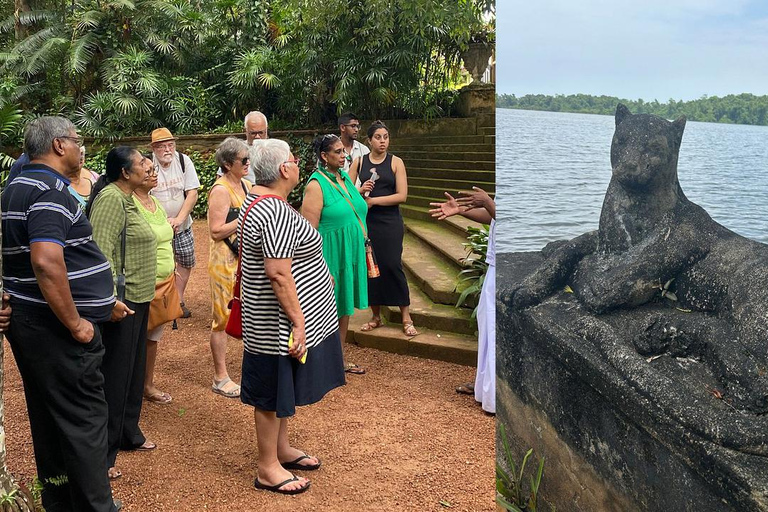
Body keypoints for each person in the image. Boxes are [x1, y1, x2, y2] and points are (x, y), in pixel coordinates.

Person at [2, 116, 125, 511]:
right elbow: (45, 261)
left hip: (28, 323)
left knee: (50, 419)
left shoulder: (14, 187)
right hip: (57, 329)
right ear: (58, 145)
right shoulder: (50, 190)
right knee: (86, 422)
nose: (81, 147)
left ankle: (60, 500)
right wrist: (76, 323)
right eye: (77, 140)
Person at [241, 139, 344, 494]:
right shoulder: (274, 211)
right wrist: (299, 322)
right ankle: (267, 467)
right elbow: (279, 274)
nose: (298, 163)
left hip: (277, 321)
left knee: (282, 387)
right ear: (284, 170)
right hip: (276, 325)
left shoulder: (263, 203)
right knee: (270, 391)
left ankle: (280, 449)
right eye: (294, 159)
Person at [88, 146, 158, 479]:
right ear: (125, 173)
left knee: (132, 371)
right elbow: (100, 252)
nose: (148, 166)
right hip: (121, 301)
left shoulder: (129, 198)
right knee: (115, 377)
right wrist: (108, 300)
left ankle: (128, 433)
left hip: (139, 298)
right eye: (142, 163)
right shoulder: (111, 199)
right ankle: (102, 455)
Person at [301, 134, 369, 375]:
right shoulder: (316, 185)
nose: (344, 155)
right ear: (324, 156)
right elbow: (308, 232)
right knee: (323, 311)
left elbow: (355, 206)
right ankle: (315, 363)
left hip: (348, 255)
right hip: (329, 256)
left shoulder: (343, 178)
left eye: (344, 151)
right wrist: (319, 266)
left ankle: (337, 360)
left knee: (343, 307)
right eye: (338, 152)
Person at [429, 186, 496, 414]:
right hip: (494, 264)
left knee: (496, 331)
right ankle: (485, 389)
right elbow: (494, 215)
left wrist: (487, 201)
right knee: (487, 327)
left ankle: (495, 397)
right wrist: (460, 210)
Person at [349, 120, 417, 337]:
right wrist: (360, 190)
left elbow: (402, 196)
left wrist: (375, 201)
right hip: (367, 223)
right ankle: (376, 316)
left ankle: (406, 316)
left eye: (385, 137)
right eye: (378, 137)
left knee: (393, 264)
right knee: (371, 266)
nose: (383, 141)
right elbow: (347, 193)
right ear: (369, 141)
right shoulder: (359, 163)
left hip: (390, 222)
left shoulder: (396, 162)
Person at [207, 137, 253, 398]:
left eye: (248, 159)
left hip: (243, 259)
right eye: (242, 160)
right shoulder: (221, 190)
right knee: (222, 319)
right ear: (227, 163)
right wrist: (246, 215)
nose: (247, 163)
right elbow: (215, 231)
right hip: (224, 262)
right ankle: (220, 376)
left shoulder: (246, 184)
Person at [133, 155, 177, 404]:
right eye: (147, 170)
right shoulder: (129, 203)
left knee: (152, 337)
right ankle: (130, 386)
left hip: (164, 281)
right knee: (136, 337)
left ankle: (146, 385)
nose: (153, 174)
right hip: (142, 282)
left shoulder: (154, 202)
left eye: (154, 170)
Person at [149, 127, 200, 319]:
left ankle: (178, 300)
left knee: (185, 260)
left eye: (170, 144)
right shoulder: (148, 164)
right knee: (160, 264)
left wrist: (179, 219)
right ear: (154, 148)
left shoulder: (183, 161)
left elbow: (192, 193)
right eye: (162, 146)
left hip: (183, 225)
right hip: (157, 228)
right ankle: (159, 301)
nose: (168, 149)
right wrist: (162, 223)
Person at [67, 146, 99, 211]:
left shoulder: (94, 177)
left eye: (82, 153)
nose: (80, 157)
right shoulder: (58, 182)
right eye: (77, 153)